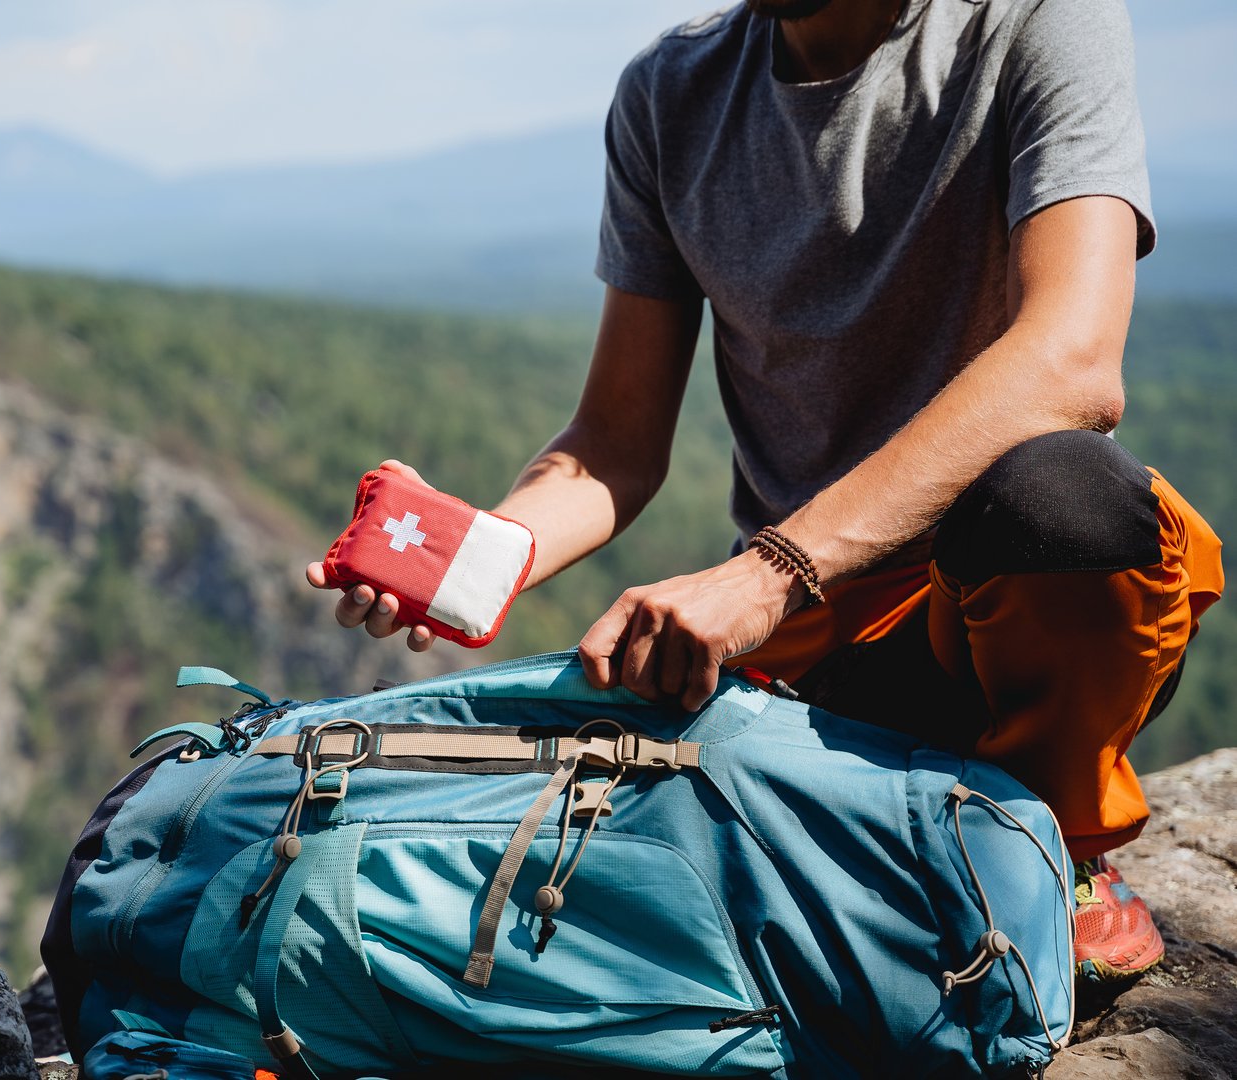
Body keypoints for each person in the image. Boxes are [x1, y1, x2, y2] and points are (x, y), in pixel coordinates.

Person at [307, 0, 1224, 980]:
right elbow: (615, 441)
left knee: (1066, 500)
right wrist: (476, 553)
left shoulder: (1038, 20)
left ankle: (1056, 848)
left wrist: (772, 571)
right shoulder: (674, 93)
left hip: (1008, 611)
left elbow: (1071, 363)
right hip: (816, 657)